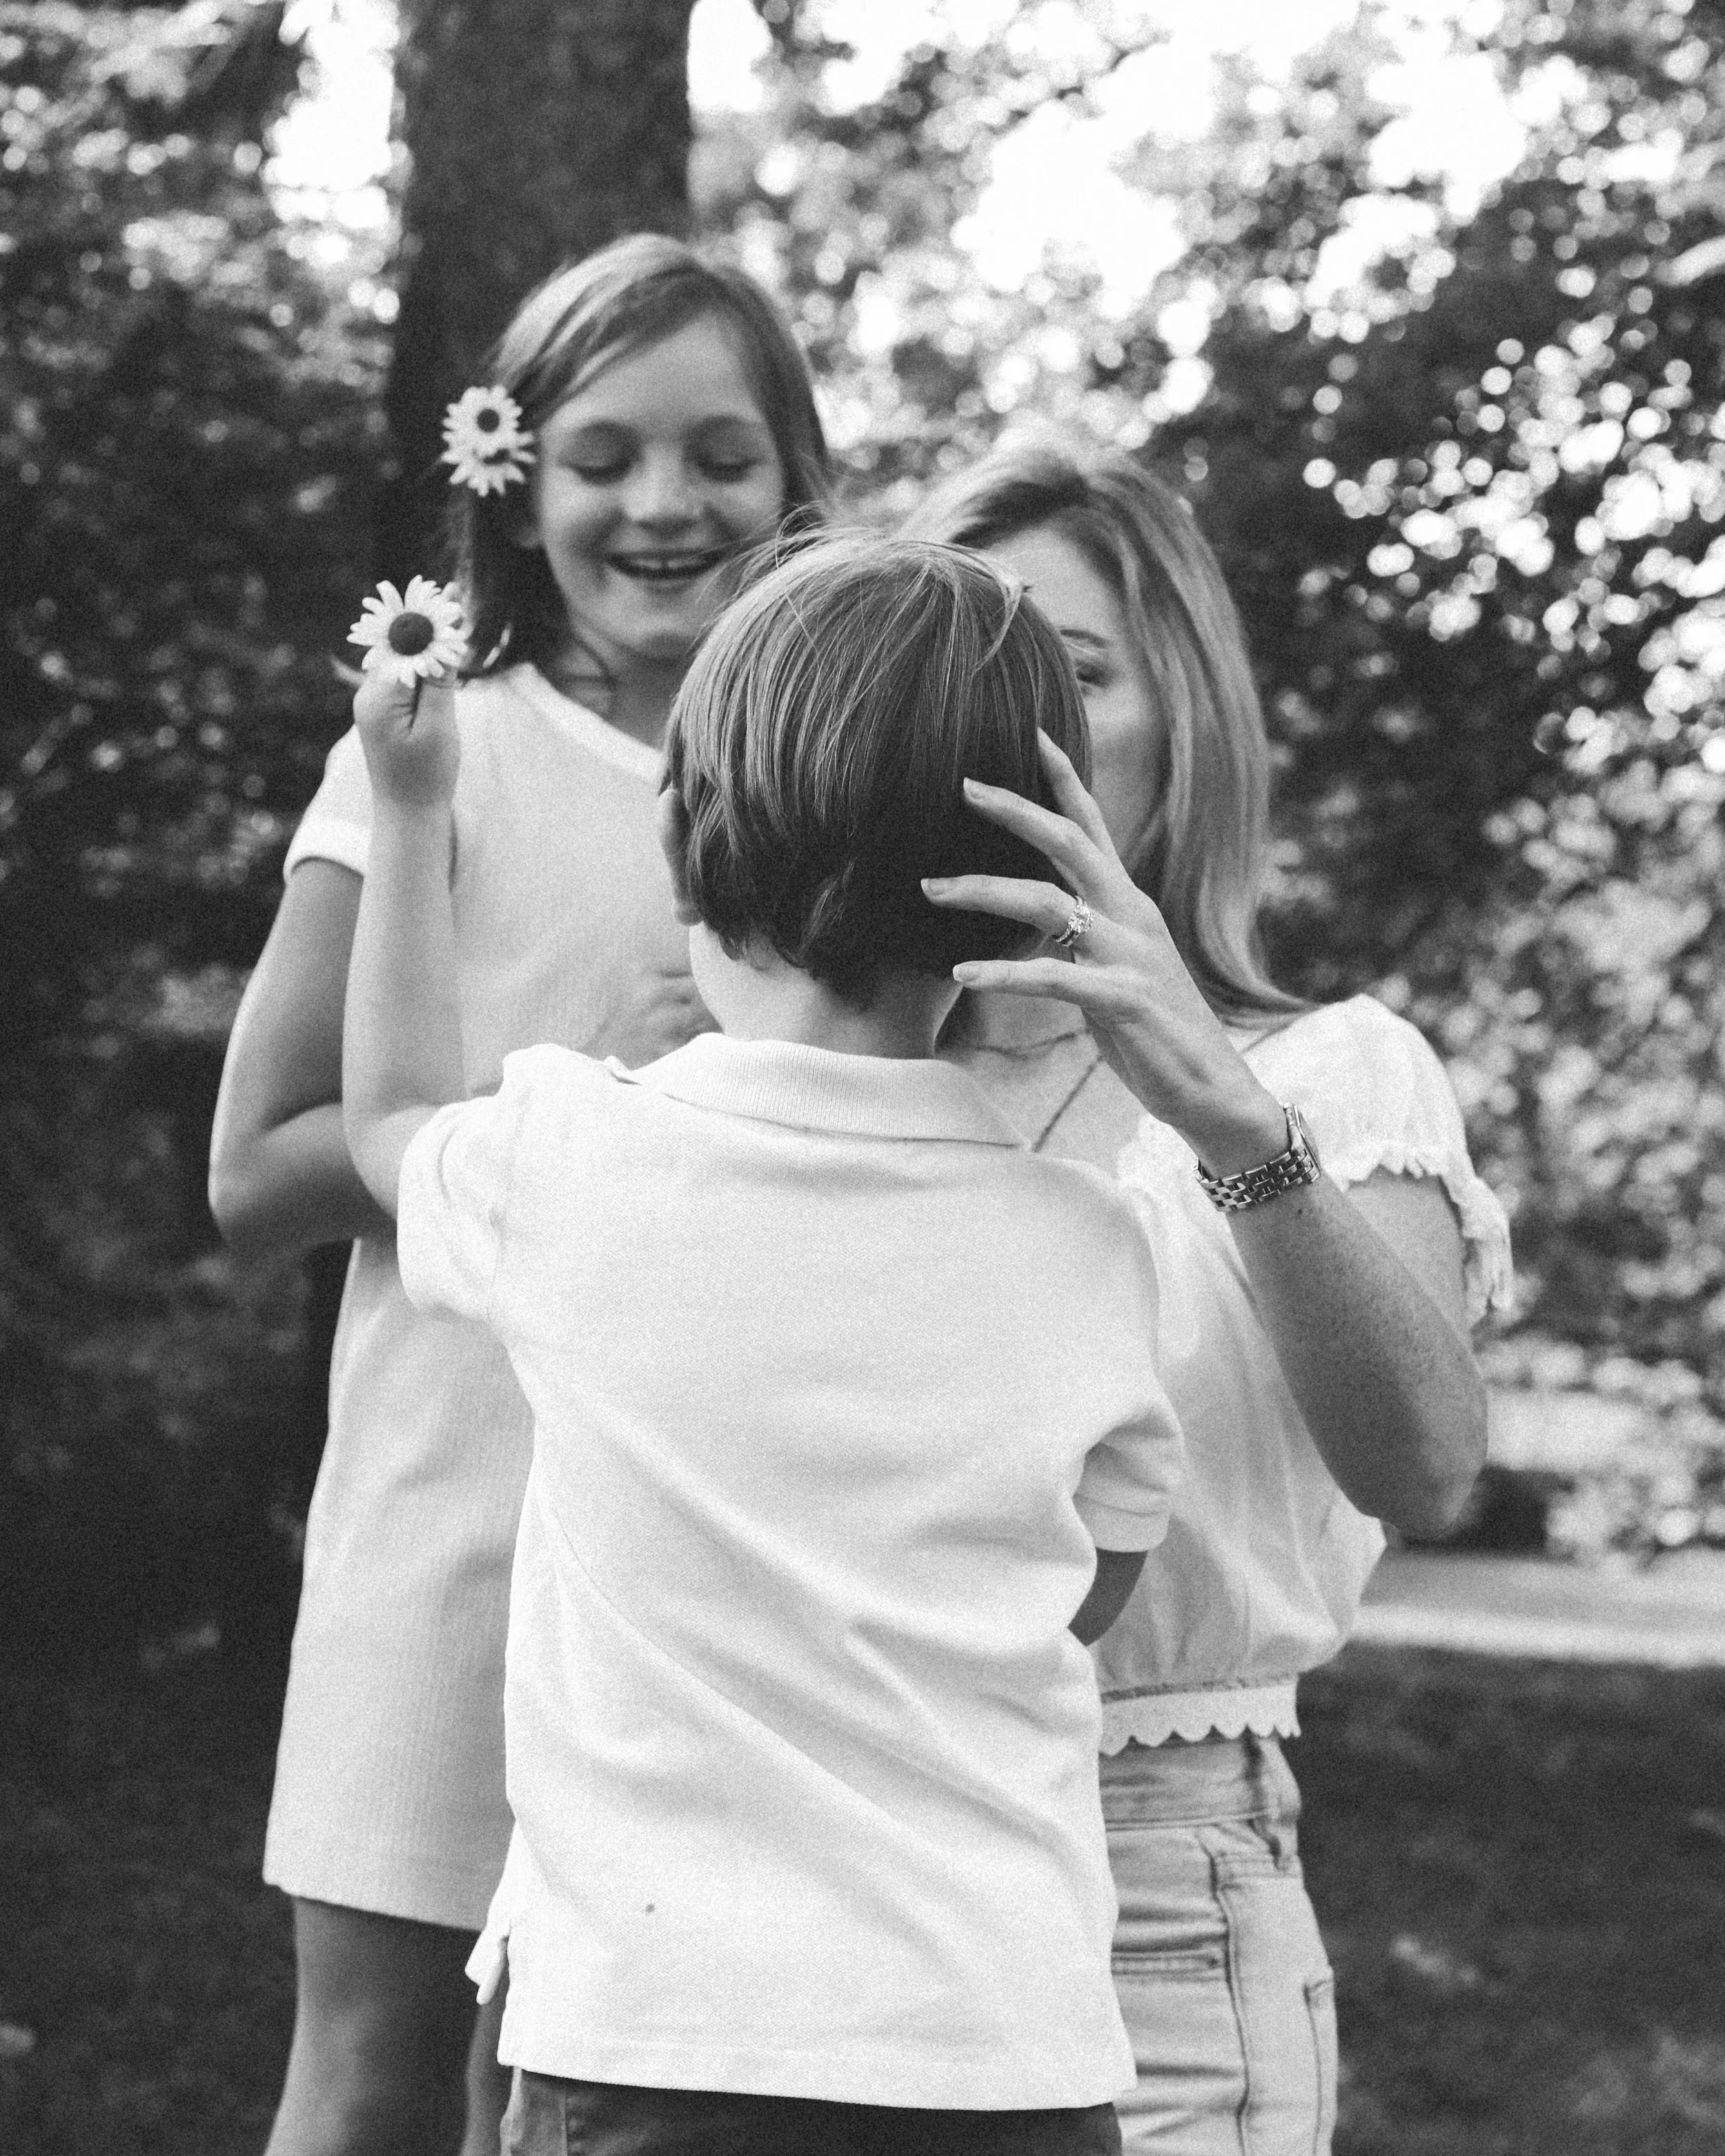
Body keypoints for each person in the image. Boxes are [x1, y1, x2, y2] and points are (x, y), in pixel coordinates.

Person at [341, 533, 1187, 2156]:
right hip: (1000, 2060)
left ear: (679, 834)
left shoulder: (562, 1160)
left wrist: (409, 808)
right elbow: (1086, 1589)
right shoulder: (1093, 1238)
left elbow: (378, 1116)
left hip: (658, 2047)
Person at [206, 233, 832, 2156]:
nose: (664, 505)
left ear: (796, 477)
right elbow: (258, 1171)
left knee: (625, 2080)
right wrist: (570, 1115)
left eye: (720, 455)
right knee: (383, 2067)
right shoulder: (434, 750)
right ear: (516, 481)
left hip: (727, 1550)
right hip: (454, 1517)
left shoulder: (824, 771)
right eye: (604, 455)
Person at [909, 439, 1512, 2156]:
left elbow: (1427, 1467)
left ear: (1183, 723)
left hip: (1155, 1885)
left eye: (1071, 675)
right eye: (960, 680)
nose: (1007, 730)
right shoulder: (825, 1091)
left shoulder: (1327, 1070)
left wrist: (1226, 1124)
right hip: (842, 1852)